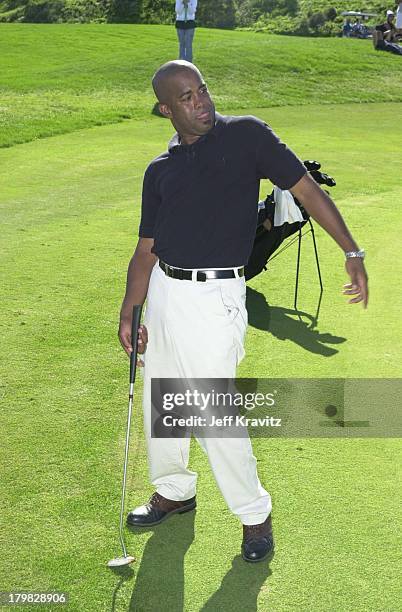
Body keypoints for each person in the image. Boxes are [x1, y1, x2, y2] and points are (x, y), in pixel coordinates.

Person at [118, 61, 368, 563]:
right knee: (159, 397)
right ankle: (175, 490)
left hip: (216, 298)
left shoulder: (248, 136)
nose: (202, 102)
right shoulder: (159, 170)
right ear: (166, 109)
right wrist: (130, 309)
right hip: (165, 291)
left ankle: (255, 514)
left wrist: (352, 251)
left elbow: (307, 191)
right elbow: (147, 247)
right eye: (187, 97)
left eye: (203, 90)